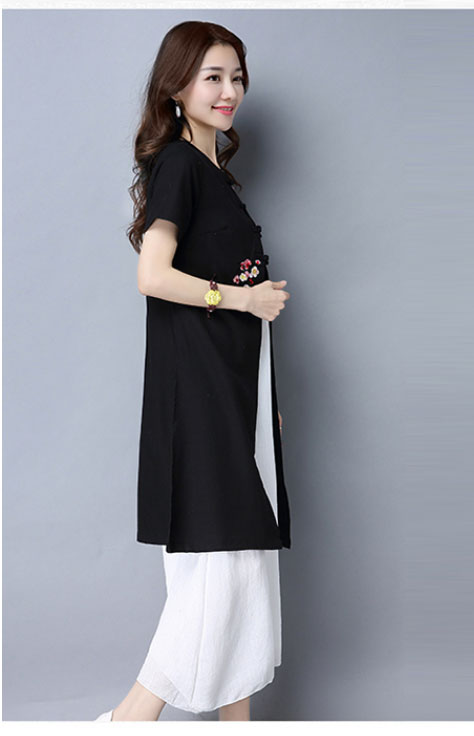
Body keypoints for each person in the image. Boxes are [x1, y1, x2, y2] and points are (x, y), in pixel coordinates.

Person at [95, 21, 292, 721]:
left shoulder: (217, 177)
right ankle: (129, 720)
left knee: (242, 567)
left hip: (234, 393)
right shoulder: (179, 165)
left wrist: (262, 399)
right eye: (213, 76)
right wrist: (243, 298)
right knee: (218, 568)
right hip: (201, 394)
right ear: (177, 86)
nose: (229, 90)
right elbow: (152, 275)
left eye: (236, 76)